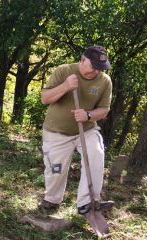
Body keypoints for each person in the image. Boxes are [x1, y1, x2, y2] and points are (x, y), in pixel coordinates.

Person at [38, 45, 115, 215]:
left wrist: (88, 115)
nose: (96, 71)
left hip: (86, 130)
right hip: (56, 132)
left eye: (100, 68)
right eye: (93, 66)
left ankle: (88, 202)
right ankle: (52, 199)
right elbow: (45, 98)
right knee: (55, 170)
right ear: (82, 60)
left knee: (96, 152)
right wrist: (66, 86)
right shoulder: (64, 71)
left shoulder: (104, 81)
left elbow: (104, 110)